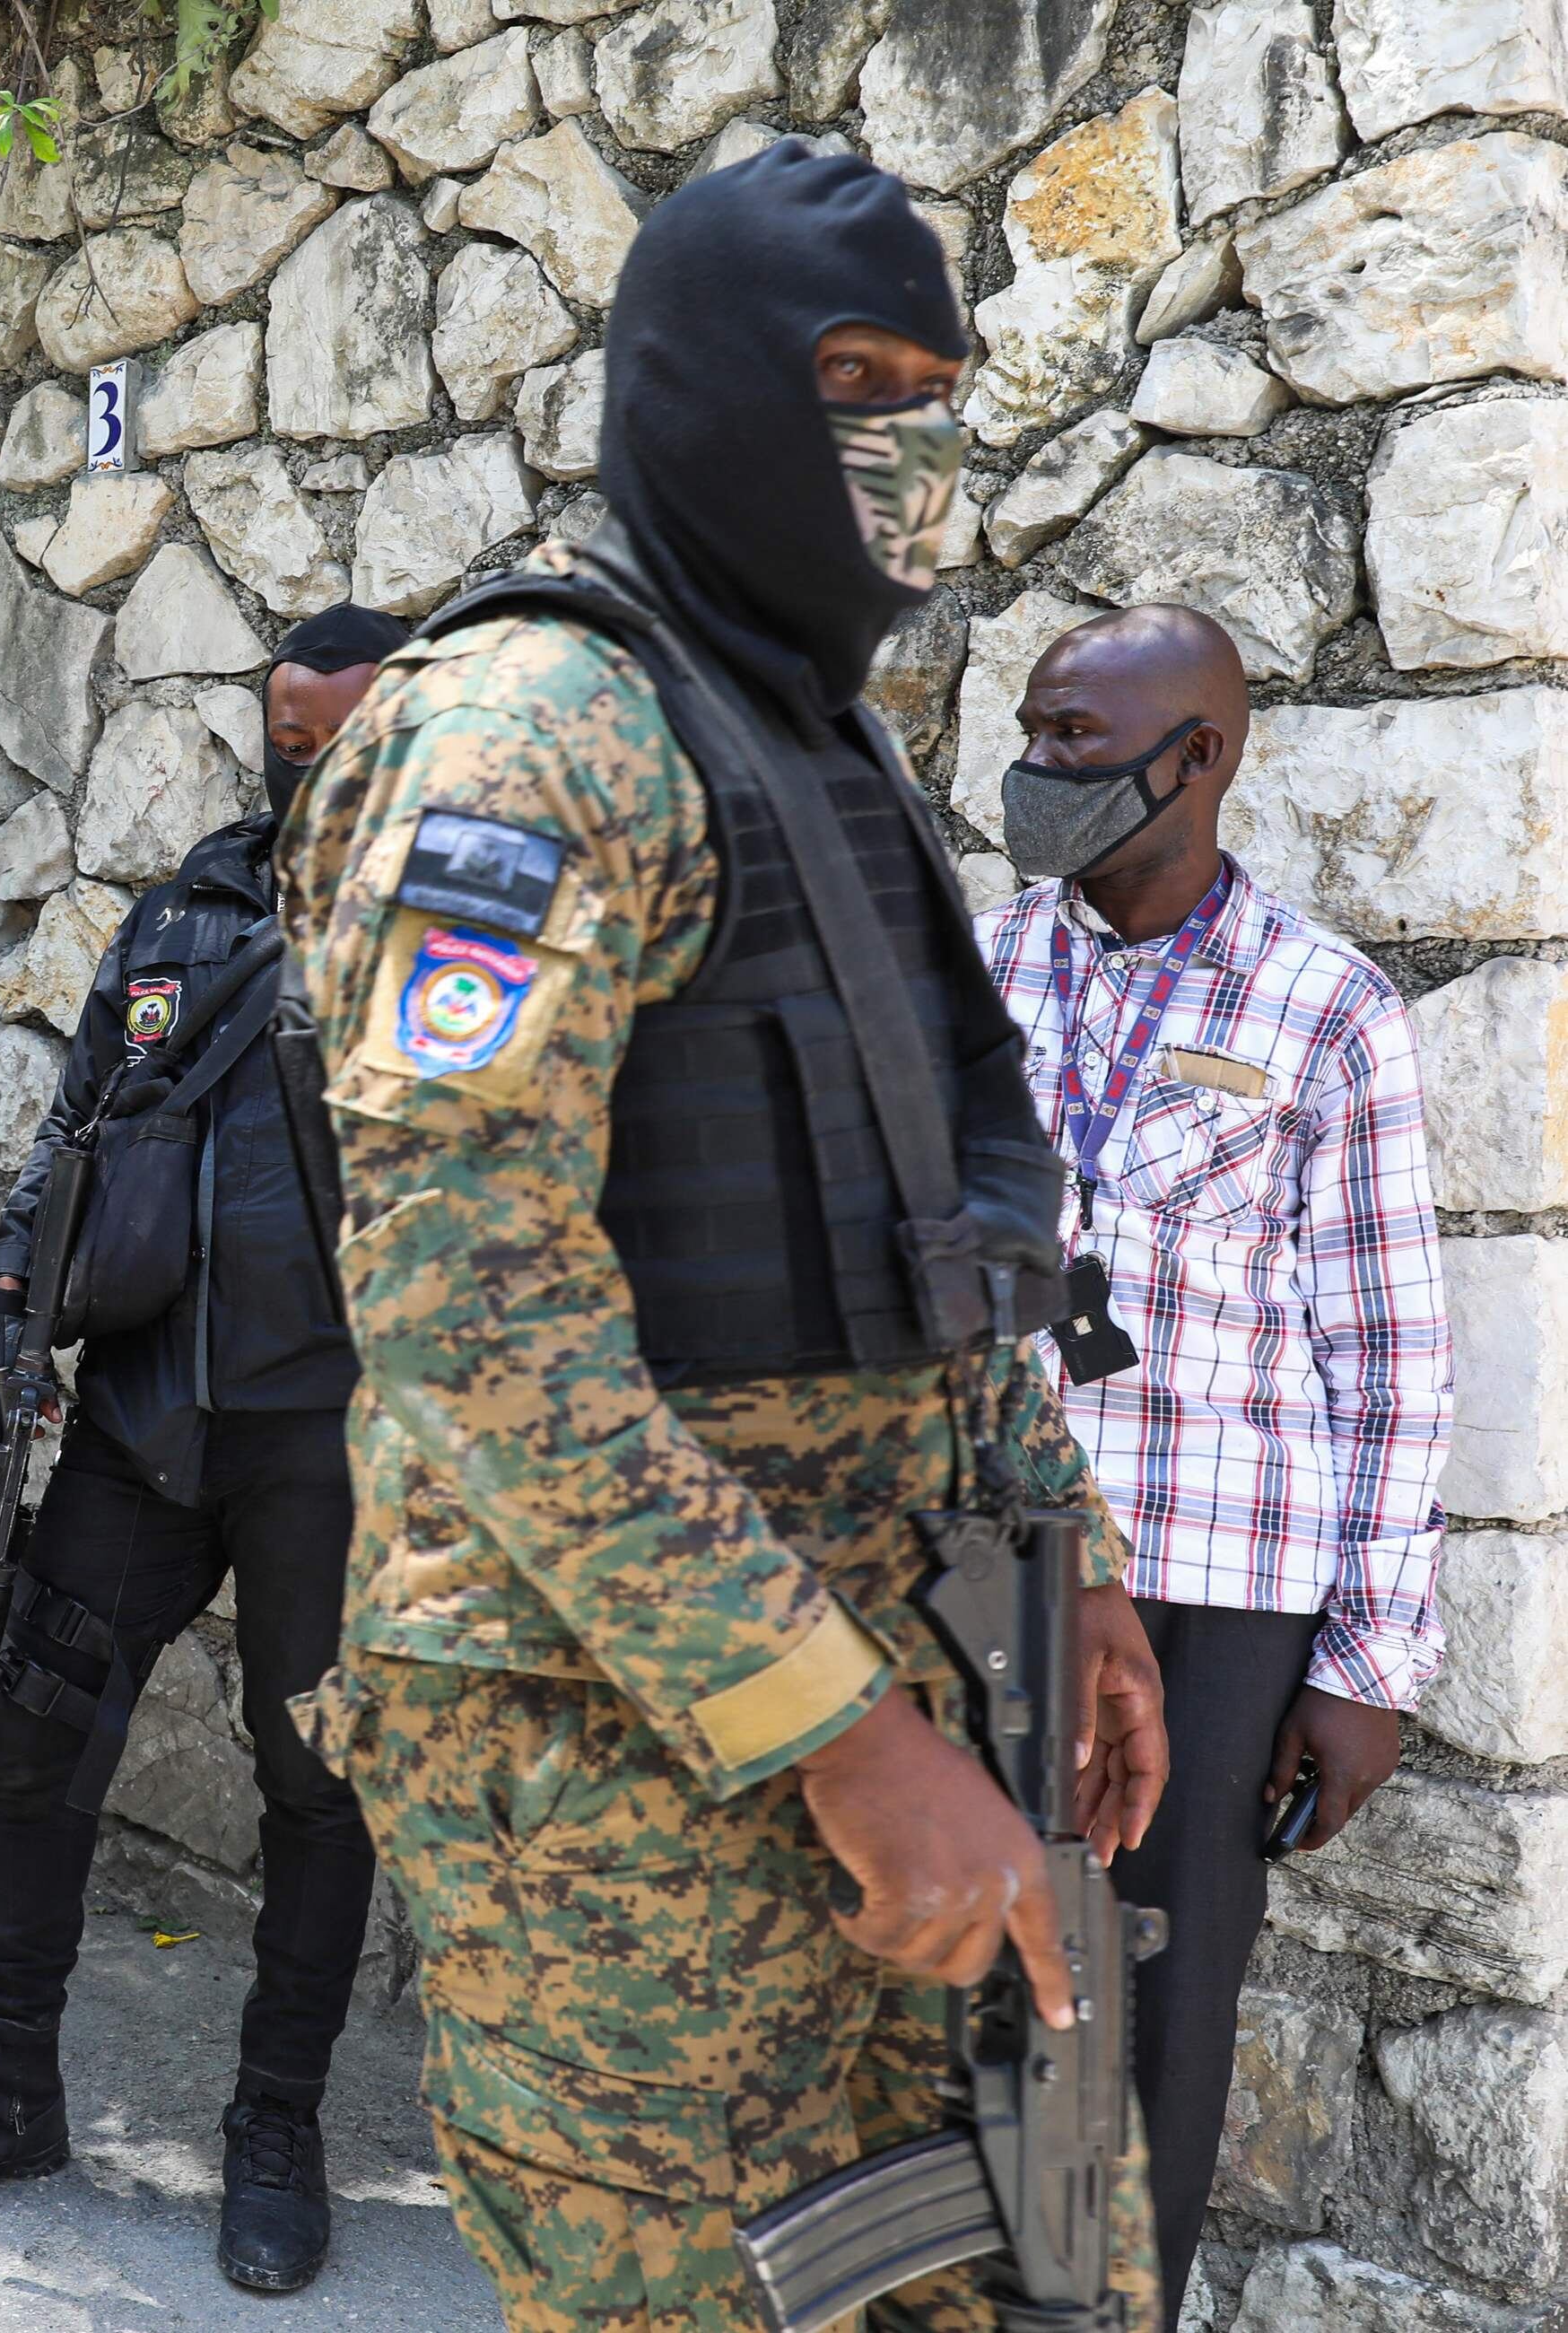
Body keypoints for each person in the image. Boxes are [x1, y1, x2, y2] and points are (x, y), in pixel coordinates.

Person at [273, 145, 1173, 2328]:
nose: (904, 444)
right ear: (691, 388)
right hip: (624, 1748)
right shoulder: (524, 739)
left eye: (933, 393)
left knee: (1048, 2250)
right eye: (847, 382)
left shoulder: (812, 737)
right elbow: (470, 1324)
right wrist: (843, 1736)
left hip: (931, 1672)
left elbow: (930, 1238)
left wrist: (1071, 1557)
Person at [0, 605, 407, 2293]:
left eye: (349, 744)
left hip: (333, 1450)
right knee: (37, 1739)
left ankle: (275, 2127)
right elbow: (75, 1128)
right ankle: (4, 2084)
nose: (313, 768)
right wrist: (9, 1289)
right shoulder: (181, 916)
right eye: (291, 741)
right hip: (142, 1423)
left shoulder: (461, 935)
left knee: (315, 1788)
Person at [977, 602, 1451, 2311]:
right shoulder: (971, 971)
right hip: (987, 1568)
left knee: (1152, 2028)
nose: (1038, 771)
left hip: (1212, 1598)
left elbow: (1388, 1356)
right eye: (1032, 735)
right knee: (966, 1990)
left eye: (1077, 743)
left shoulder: (1327, 1012)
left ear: (1203, 755)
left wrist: (1367, 1666)